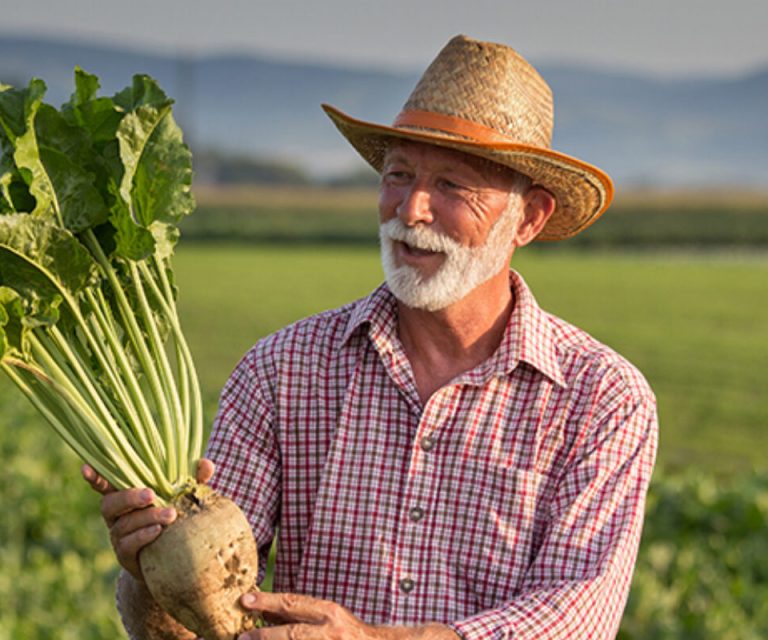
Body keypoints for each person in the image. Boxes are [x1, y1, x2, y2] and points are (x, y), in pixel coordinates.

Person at [86, 35, 659, 639]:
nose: (410, 209)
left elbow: (574, 619)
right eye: (398, 175)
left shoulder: (602, 399)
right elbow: (201, 618)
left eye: (452, 187)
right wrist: (150, 569)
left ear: (530, 217)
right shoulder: (283, 370)